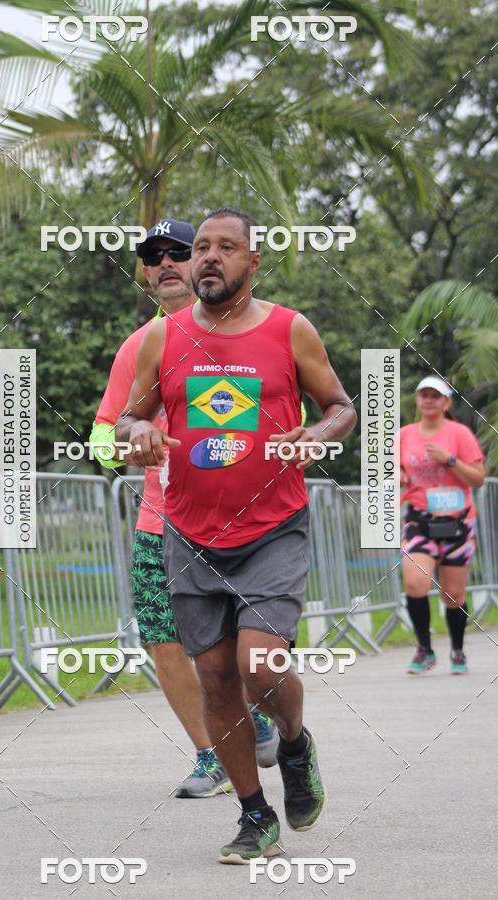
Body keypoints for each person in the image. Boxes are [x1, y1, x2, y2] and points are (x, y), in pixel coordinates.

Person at [116, 207, 357, 863]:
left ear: (254, 262)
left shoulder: (288, 330)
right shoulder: (162, 339)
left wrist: (317, 434)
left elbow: (341, 406)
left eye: (227, 247)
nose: (209, 258)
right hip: (189, 533)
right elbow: (128, 420)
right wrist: (136, 435)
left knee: (260, 663)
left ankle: (297, 743)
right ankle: (255, 815)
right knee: (218, 676)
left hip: (272, 527)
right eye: (202, 249)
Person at [90, 217, 279, 800]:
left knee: (238, 655)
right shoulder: (140, 345)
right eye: (155, 257)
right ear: (146, 275)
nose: (167, 263)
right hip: (162, 525)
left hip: (243, 524)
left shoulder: (248, 330)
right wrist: (130, 442)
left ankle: (265, 723)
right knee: (164, 641)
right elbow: (101, 437)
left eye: (180, 251)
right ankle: (210, 754)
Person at [399, 375, 485, 675]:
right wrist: (398, 475)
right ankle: (424, 648)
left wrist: (450, 460)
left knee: (453, 594)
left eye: (436, 396)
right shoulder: (405, 434)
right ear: (417, 400)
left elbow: (477, 478)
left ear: (446, 402)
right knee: (414, 583)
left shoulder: (459, 434)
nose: (429, 400)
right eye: (424, 395)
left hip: (457, 521)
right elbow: (392, 468)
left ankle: (458, 650)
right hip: (419, 519)